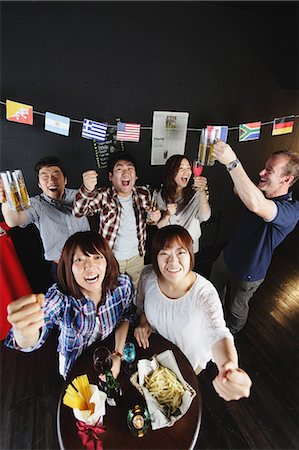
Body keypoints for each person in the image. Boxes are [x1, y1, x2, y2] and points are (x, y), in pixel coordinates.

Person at [134, 225, 252, 402]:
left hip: (186, 362)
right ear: (156, 256)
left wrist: (229, 366)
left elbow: (218, 332)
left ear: (191, 255)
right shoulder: (147, 275)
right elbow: (142, 307)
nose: (173, 262)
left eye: (180, 252)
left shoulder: (204, 293)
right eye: (164, 253)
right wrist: (143, 322)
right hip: (154, 355)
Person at [5, 231, 135, 379]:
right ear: (69, 267)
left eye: (97, 257)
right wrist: (25, 333)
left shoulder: (123, 285)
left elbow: (126, 315)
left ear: (108, 261)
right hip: (75, 365)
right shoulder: (61, 297)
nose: (89, 266)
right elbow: (42, 320)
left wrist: (117, 354)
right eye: (79, 260)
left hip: (108, 352)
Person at [211, 141, 299, 334]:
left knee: (236, 308)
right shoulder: (261, 192)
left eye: (269, 170)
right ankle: (213, 322)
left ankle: (231, 334)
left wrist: (232, 163)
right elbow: (239, 190)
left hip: (249, 272)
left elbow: (256, 206)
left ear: (286, 179)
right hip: (228, 256)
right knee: (213, 292)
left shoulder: (290, 211)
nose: (261, 173)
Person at [73, 151, 161, 290]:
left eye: (130, 169)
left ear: (136, 175)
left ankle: (138, 311)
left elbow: (149, 217)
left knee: (138, 290)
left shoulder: (143, 193)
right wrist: (87, 189)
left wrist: (155, 217)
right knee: (112, 290)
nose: (125, 172)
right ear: (111, 176)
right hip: (112, 257)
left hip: (137, 256)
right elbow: (79, 212)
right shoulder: (103, 195)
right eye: (119, 169)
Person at [0, 156, 90, 278]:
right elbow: (13, 221)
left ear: (65, 180)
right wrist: (5, 199)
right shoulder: (36, 204)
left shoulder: (80, 196)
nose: (51, 180)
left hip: (89, 262)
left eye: (56, 175)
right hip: (62, 268)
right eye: (45, 177)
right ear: (39, 185)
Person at [156, 154, 211, 256]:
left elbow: (205, 216)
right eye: (181, 168)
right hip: (170, 244)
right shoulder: (162, 194)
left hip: (190, 245)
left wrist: (202, 192)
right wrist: (167, 214)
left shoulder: (196, 192)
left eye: (188, 168)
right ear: (171, 172)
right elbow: (160, 226)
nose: (186, 172)